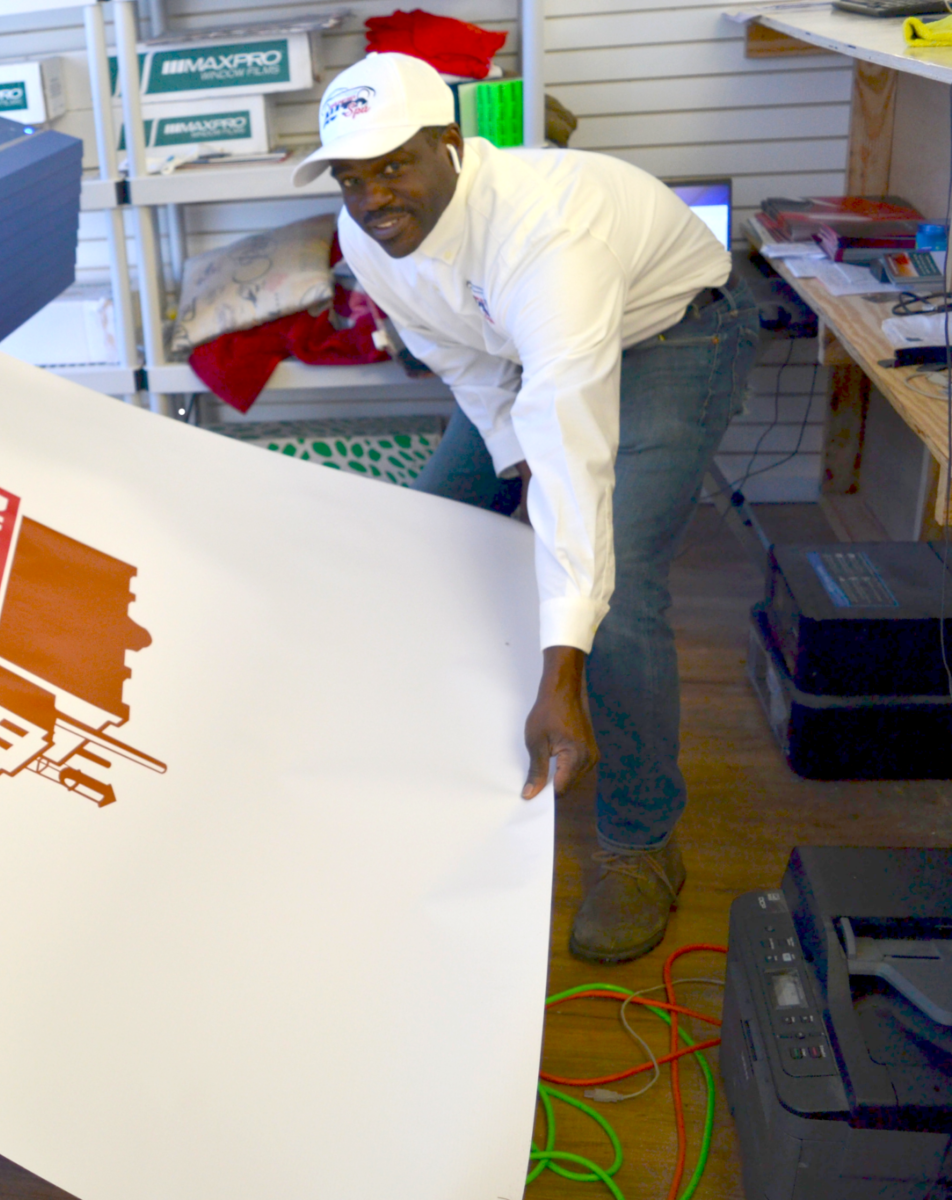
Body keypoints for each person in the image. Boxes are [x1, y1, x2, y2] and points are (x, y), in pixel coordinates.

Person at [293, 53, 758, 963]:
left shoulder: (545, 236)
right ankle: (450, 742)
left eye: (394, 166)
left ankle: (640, 845)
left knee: (614, 598)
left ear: (451, 147)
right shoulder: (368, 239)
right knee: (431, 525)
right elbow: (464, 364)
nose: (374, 195)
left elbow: (572, 448)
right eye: (353, 177)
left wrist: (563, 666)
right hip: (519, 348)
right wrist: (511, 473)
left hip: (676, 332)